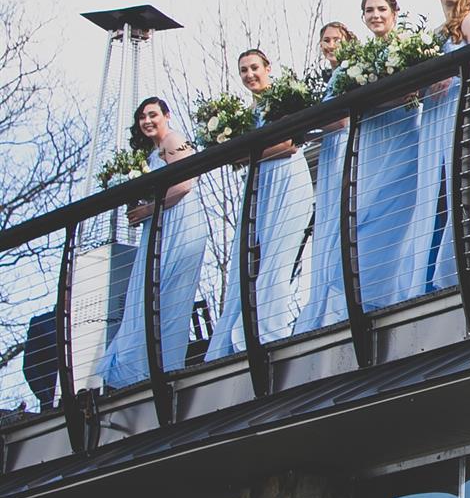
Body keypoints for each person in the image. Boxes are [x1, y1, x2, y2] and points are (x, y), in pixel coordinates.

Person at [207, 48, 316, 358]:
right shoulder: (245, 116)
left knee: (279, 255)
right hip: (261, 184)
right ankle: (240, 332)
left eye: (254, 67)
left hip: (288, 179)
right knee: (251, 256)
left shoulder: (281, 100)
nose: (249, 74)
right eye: (243, 70)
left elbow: (288, 146)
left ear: (267, 68)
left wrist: (249, 152)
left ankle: (271, 331)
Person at [98, 97, 212, 388]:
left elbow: (184, 184)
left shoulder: (174, 140)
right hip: (160, 223)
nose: (147, 121)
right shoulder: (151, 153)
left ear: (166, 115)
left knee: (169, 294)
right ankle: (142, 366)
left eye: (153, 115)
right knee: (148, 293)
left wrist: (149, 209)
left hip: (179, 223)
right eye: (142, 117)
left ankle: (160, 367)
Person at [409, 0, 470, 298]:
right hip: (436, 115)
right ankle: (427, 274)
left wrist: (454, 74)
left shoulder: (469, 20)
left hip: (465, 107)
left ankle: (452, 271)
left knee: (457, 189)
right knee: (433, 193)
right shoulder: (434, 36)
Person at [350, 0, 421, 310]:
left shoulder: (406, 45)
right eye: (369, 10)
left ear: (394, 12)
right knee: (366, 212)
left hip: (402, 135)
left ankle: (400, 292)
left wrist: (374, 100)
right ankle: (368, 296)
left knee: (398, 211)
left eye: (381, 9)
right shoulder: (359, 59)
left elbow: (413, 93)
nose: (375, 15)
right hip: (372, 142)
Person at [298, 21, 354, 330]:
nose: (330, 45)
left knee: (341, 215)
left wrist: (307, 122)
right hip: (330, 151)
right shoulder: (331, 77)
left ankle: (338, 299)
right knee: (328, 219)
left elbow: (342, 120)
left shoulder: (348, 72)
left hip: (345, 147)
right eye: (326, 40)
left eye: (336, 39)